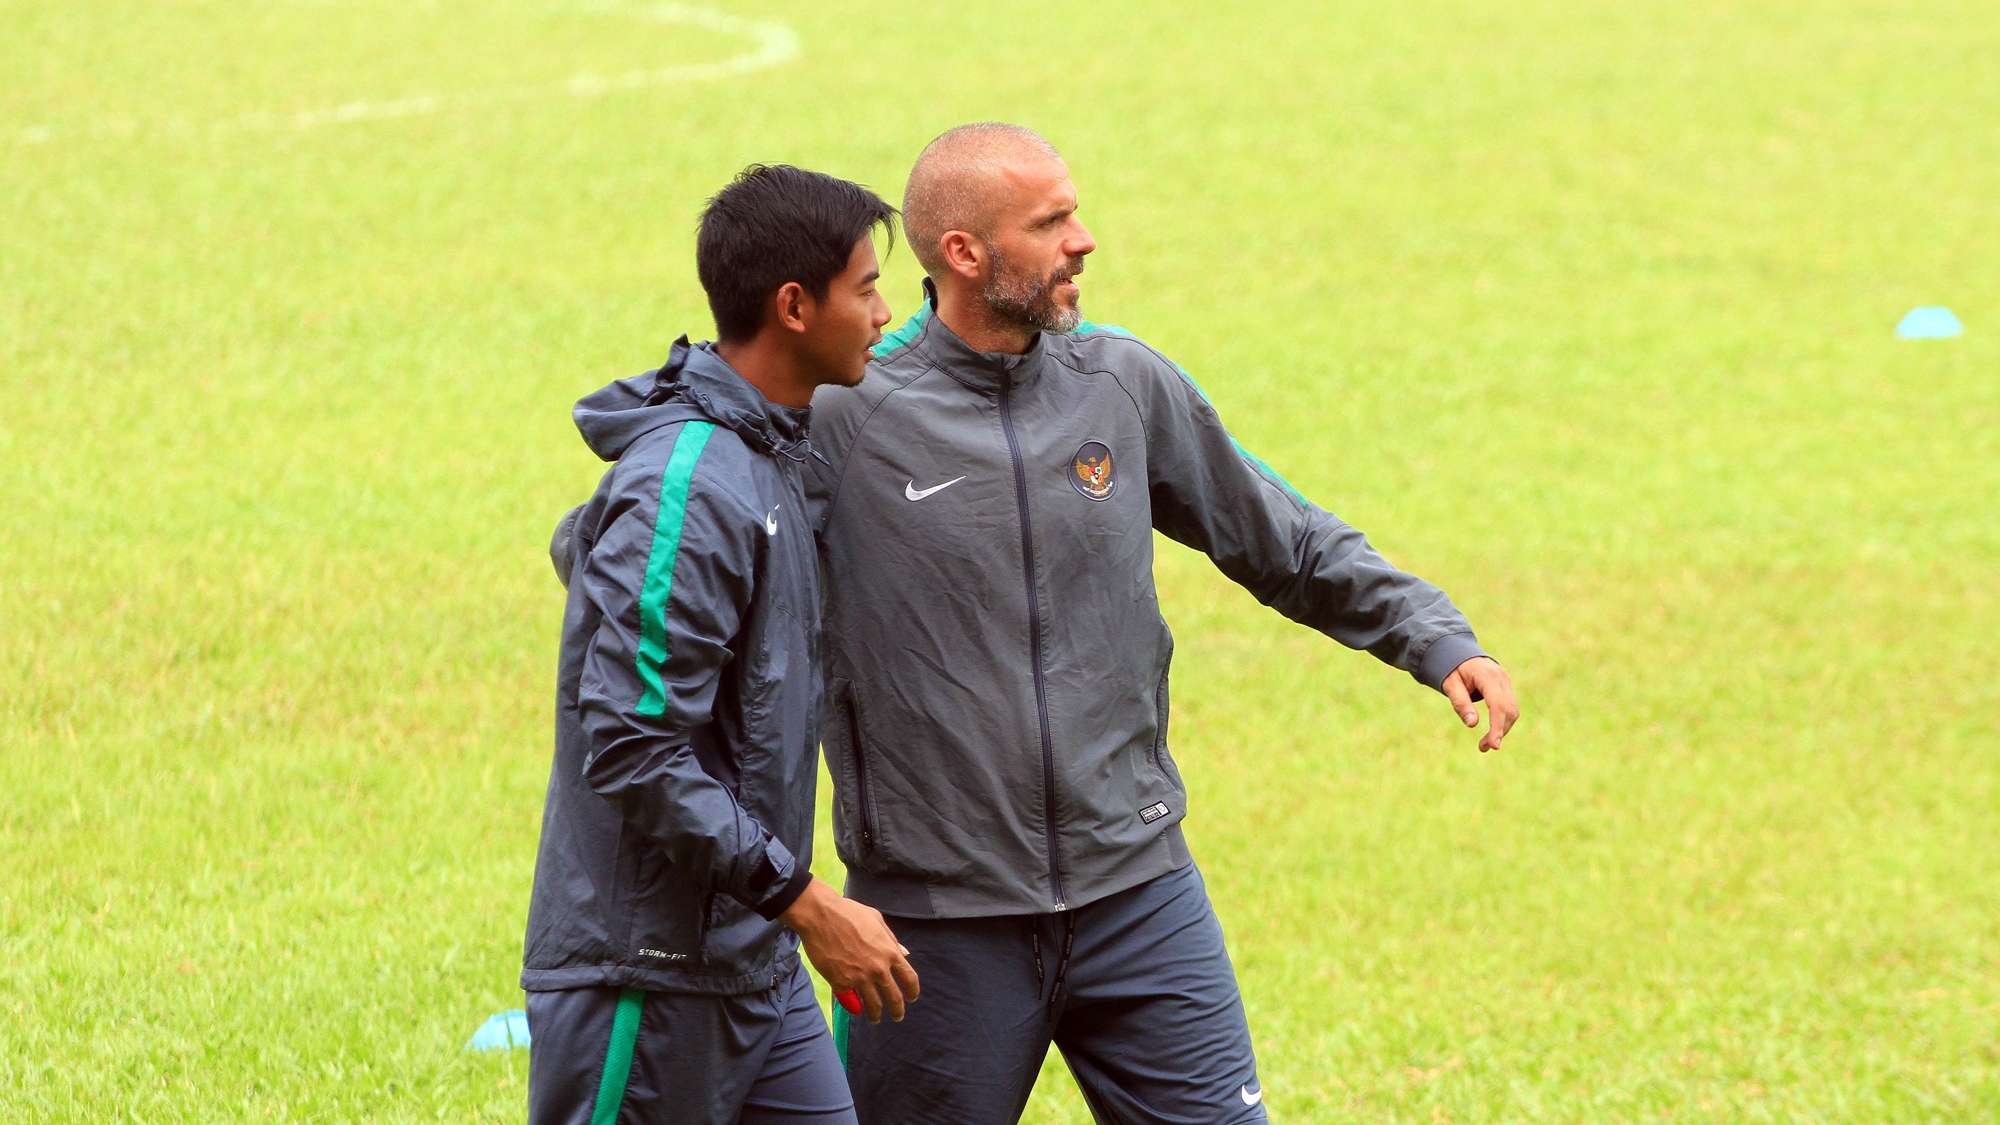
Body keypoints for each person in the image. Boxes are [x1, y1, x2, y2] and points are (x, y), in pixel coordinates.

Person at [802, 124, 1521, 1123]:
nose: (1082, 240)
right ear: (963, 253)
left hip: (1138, 894)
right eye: (1049, 223)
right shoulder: (845, 415)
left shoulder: (1120, 383)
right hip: (936, 922)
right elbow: (699, 555)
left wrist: (1433, 636)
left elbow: (1282, 537)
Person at [522, 164, 919, 1125]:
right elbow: (631, 744)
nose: (883, 314)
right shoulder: (696, 483)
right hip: (647, 975)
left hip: (753, 960)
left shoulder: (771, 450)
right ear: (794, 306)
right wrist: (808, 902)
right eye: (867, 289)